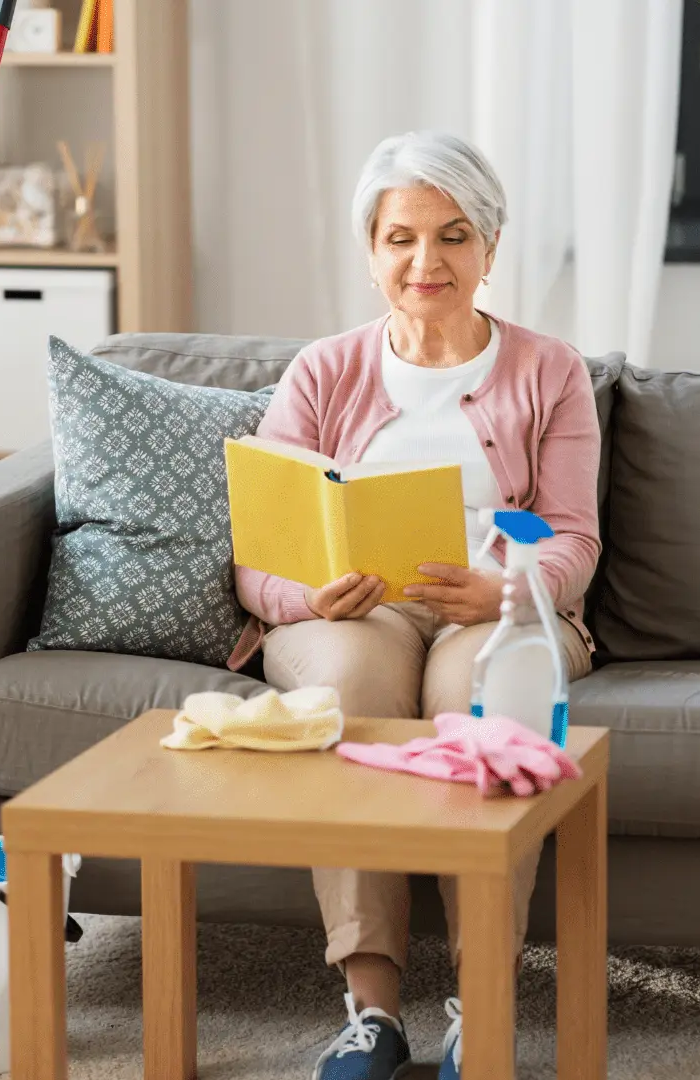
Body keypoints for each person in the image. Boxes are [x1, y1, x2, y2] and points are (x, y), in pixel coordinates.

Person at [234, 130, 601, 1080]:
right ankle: (371, 1013)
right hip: (358, 609)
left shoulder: (551, 370)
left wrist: (509, 588)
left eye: (453, 235)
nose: (425, 261)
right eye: (400, 238)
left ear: (489, 249)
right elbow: (260, 555)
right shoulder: (322, 371)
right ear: (370, 252)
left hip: (496, 605)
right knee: (349, 681)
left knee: (478, 698)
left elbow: (575, 537)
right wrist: (308, 594)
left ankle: (481, 1011)